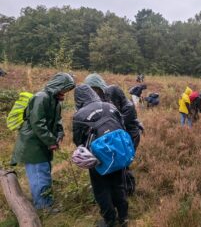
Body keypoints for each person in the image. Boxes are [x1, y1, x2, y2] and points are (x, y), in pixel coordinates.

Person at [10, 73, 75, 211]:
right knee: (40, 176)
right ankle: (43, 207)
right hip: (33, 144)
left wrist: (59, 132)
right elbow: (37, 123)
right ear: (57, 86)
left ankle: (45, 202)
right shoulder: (41, 97)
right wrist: (51, 141)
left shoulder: (55, 102)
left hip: (42, 143)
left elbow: (58, 120)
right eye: (64, 89)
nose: (65, 92)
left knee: (44, 174)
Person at [72, 84, 129, 227]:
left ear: (78, 99)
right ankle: (124, 217)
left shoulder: (79, 115)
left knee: (101, 189)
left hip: (97, 157)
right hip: (118, 153)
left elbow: (78, 141)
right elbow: (122, 126)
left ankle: (109, 220)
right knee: (118, 184)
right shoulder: (110, 106)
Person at [106, 85, 144, 150]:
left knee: (126, 156)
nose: (109, 100)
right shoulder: (120, 104)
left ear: (116, 96)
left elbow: (118, 123)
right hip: (124, 135)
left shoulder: (128, 107)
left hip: (131, 136)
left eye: (110, 97)